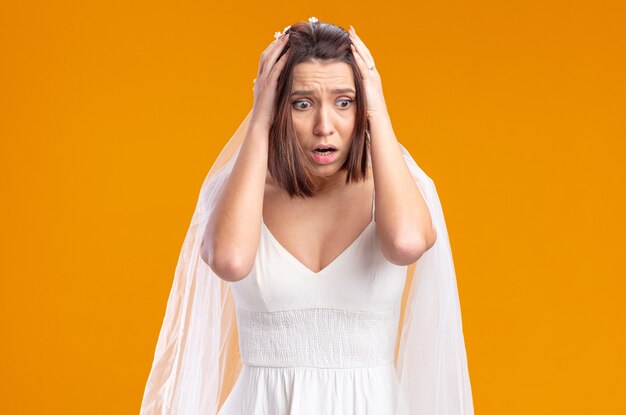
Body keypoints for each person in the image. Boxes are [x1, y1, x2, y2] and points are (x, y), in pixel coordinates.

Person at [139, 17, 474, 415]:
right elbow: (229, 260)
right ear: (279, 107)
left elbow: (405, 243)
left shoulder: (397, 189)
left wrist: (379, 113)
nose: (324, 127)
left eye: (344, 102)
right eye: (302, 103)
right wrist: (260, 116)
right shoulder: (238, 193)